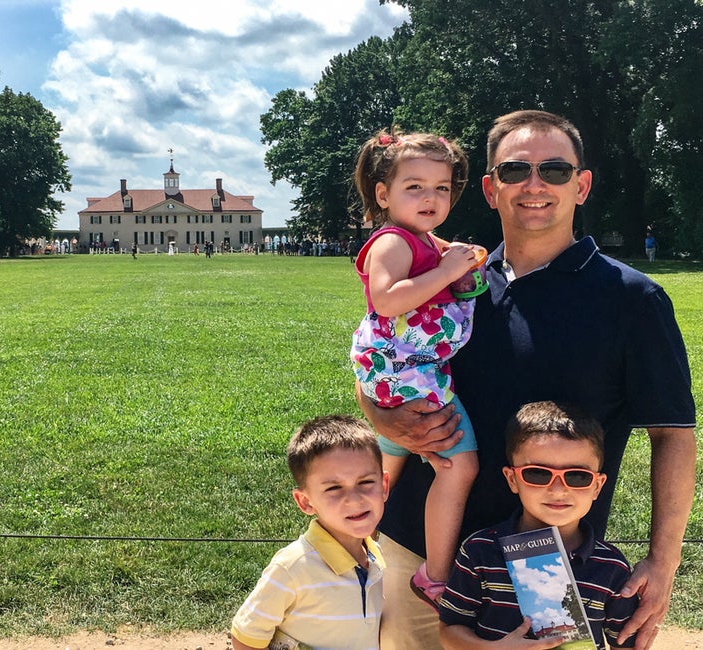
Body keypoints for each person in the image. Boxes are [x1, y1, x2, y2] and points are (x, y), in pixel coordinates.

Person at [358, 110, 695, 650]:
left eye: (555, 170)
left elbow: (673, 433)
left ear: (581, 185)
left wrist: (663, 559)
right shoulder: (450, 281)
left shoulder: (633, 300)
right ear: (490, 189)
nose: (534, 185)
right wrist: (379, 413)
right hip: (420, 553)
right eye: (515, 170)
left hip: (546, 560)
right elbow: (384, 362)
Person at [350, 129, 481, 610]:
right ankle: (435, 576)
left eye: (442, 187)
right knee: (459, 465)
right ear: (383, 195)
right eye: (415, 186)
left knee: (389, 467)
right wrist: (448, 271)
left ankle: (355, 543)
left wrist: (458, 264)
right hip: (411, 372)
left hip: (403, 370)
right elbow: (386, 299)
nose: (431, 197)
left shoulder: (421, 239)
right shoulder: (392, 241)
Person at [439, 401, 639, 649]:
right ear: (512, 479)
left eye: (578, 476)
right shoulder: (479, 551)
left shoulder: (612, 568)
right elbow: (449, 629)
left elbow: (625, 643)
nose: (558, 489)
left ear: (597, 486)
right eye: (538, 473)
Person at [230, 415, 389, 650]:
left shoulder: (378, 558)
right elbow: (245, 638)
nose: (354, 499)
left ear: (384, 486)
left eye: (365, 482)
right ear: (305, 501)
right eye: (334, 488)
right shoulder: (293, 567)